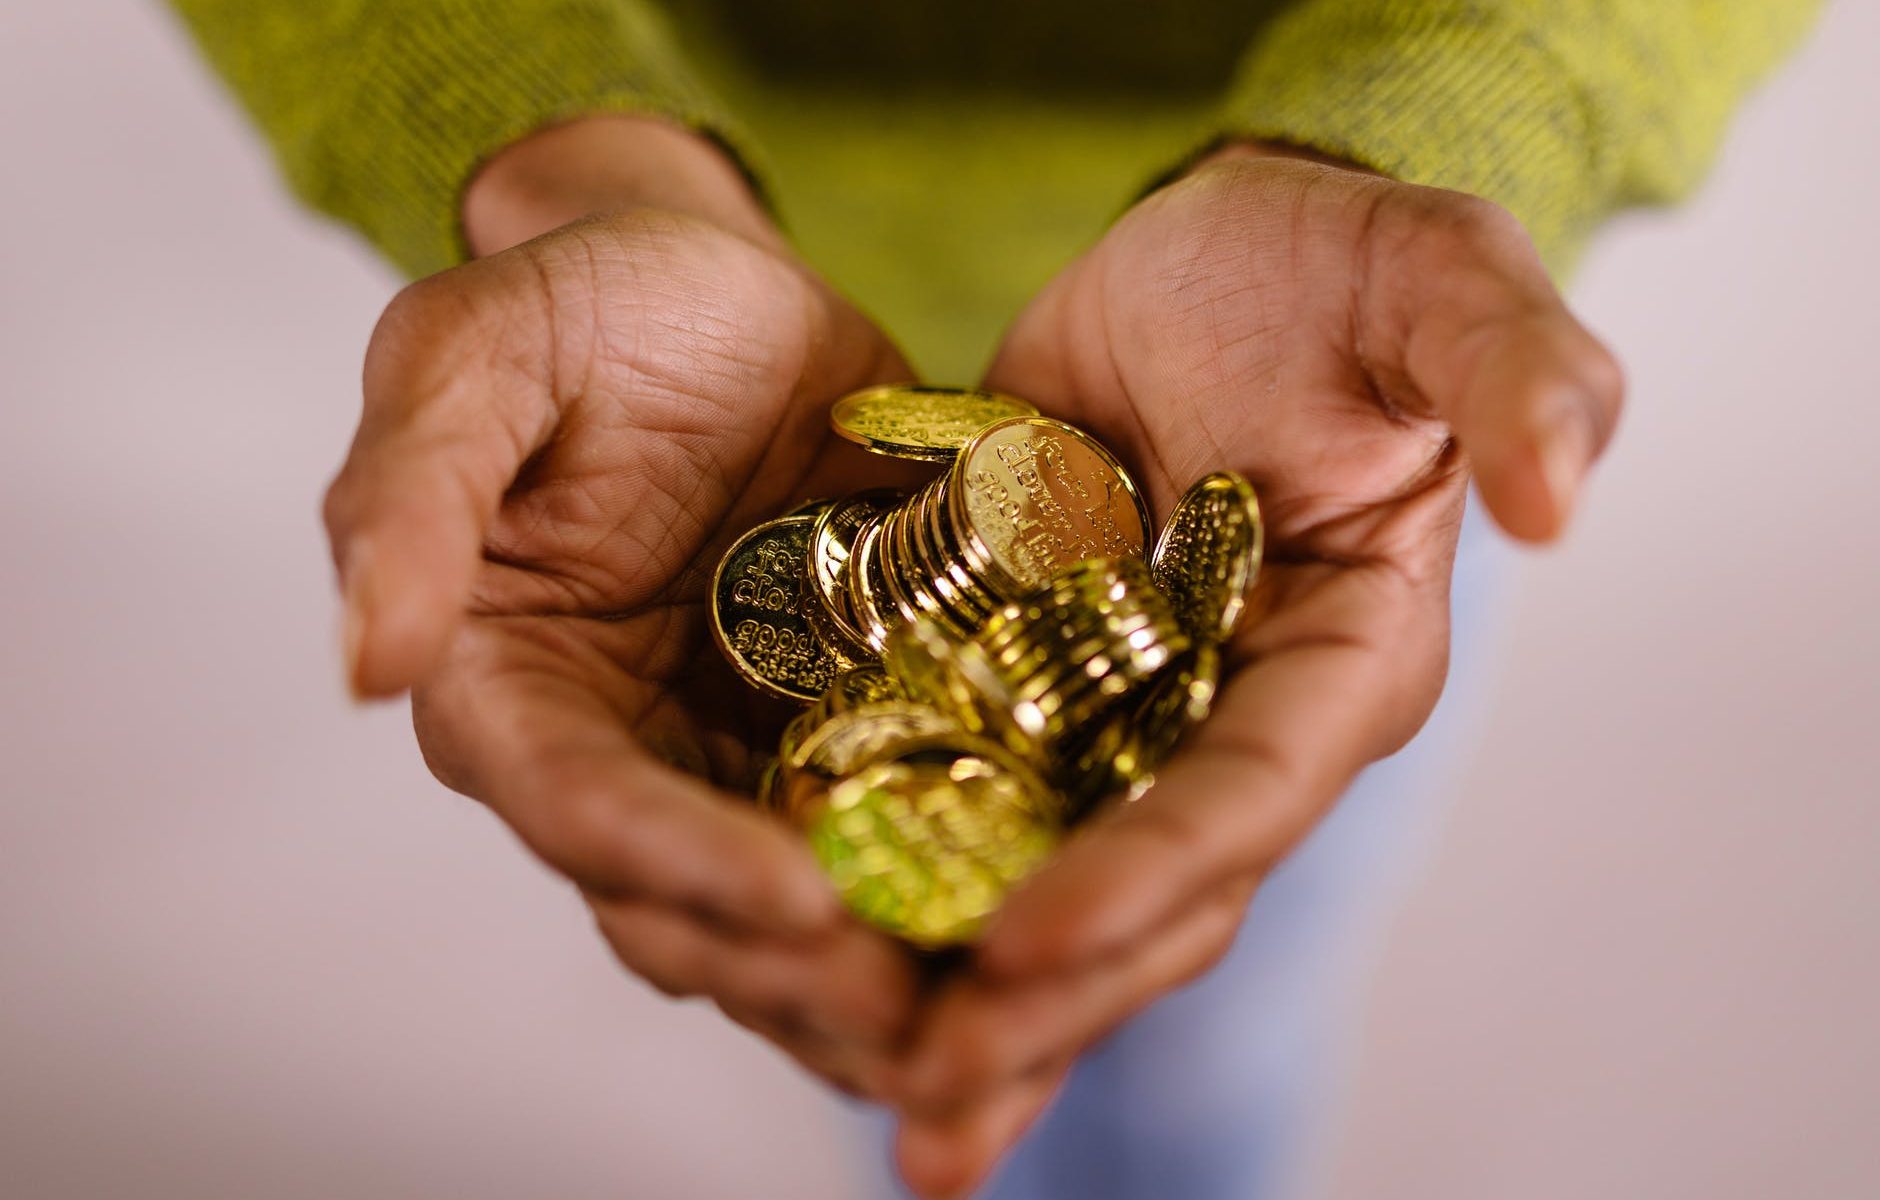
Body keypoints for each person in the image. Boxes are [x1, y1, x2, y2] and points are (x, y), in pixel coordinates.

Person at [168, 3, 1818, 1196]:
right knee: (893, 1017)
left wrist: (1470, 90)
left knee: (1220, 1007)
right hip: (702, 279)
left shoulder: (1302, 480)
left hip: (1330, 413)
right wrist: (543, 136)